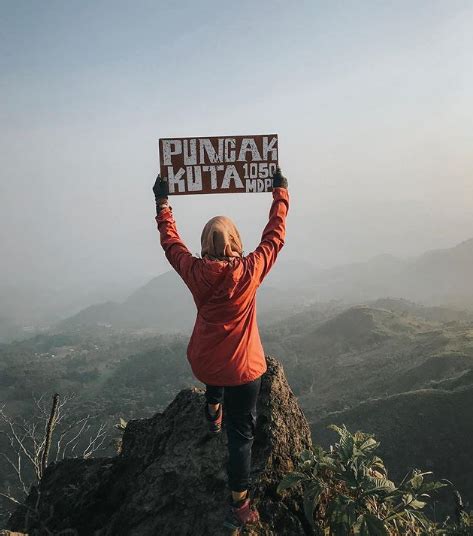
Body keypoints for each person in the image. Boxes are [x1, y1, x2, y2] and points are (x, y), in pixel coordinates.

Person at [153, 167, 289, 531]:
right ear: (235, 240)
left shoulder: (194, 272)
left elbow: (171, 243)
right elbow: (274, 238)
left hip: (206, 362)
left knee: (215, 374)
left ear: (205, 242)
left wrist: (162, 202)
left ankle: (213, 412)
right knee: (241, 437)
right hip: (244, 370)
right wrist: (280, 194)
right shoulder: (250, 270)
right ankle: (240, 503)